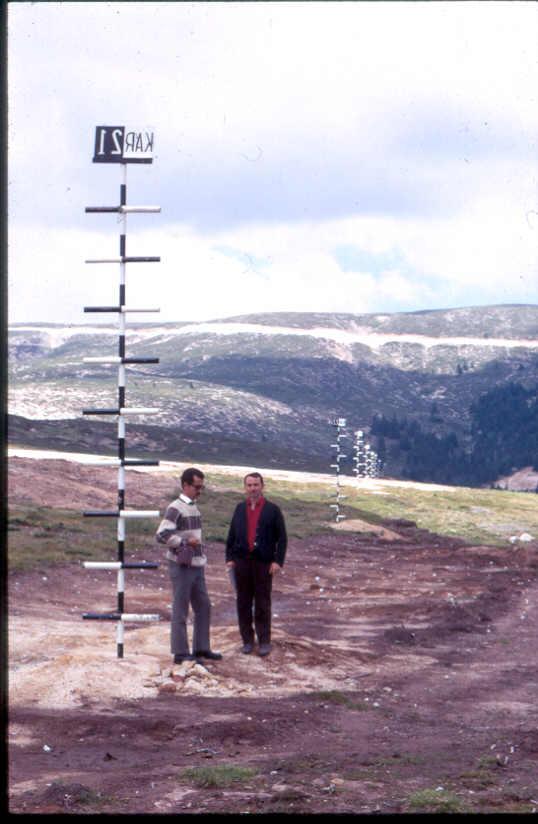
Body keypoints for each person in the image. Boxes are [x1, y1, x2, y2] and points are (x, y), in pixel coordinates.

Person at [156, 467, 222, 664]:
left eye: (202, 487)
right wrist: (184, 543)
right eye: (196, 487)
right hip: (182, 565)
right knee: (181, 608)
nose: (199, 491)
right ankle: (180, 652)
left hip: (197, 564)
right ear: (185, 485)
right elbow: (161, 535)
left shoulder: (193, 505)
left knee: (203, 606)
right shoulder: (175, 508)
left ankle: (201, 648)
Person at [225, 472, 287, 657]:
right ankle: (247, 641)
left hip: (263, 563)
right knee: (243, 602)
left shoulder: (273, 510)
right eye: (249, 485)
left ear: (262, 486)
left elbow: (282, 539)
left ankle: (264, 641)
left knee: (262, 602)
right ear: (245, 488)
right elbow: (231, 536)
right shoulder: (239, 508)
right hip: (241, 563)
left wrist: (278, 561)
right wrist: (229, 558)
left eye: (256, 485)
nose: (253, 488)